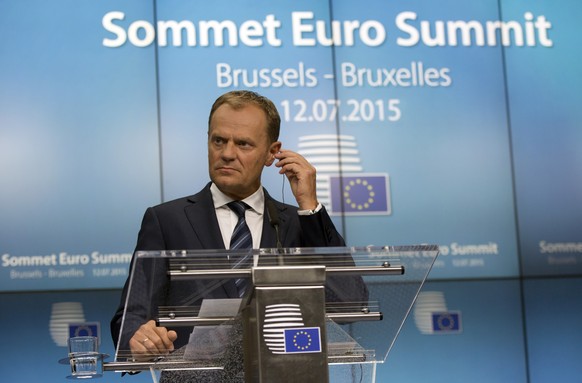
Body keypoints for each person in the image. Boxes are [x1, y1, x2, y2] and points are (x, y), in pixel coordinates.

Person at [111, 90, 366, 367]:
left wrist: (310, 206)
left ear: (272, 153)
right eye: (218, 140)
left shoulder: (298, 222)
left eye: (243, 144)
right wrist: (137, 341)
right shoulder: (165, 220)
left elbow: (349, 302)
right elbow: (131, 319)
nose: (227, 154)